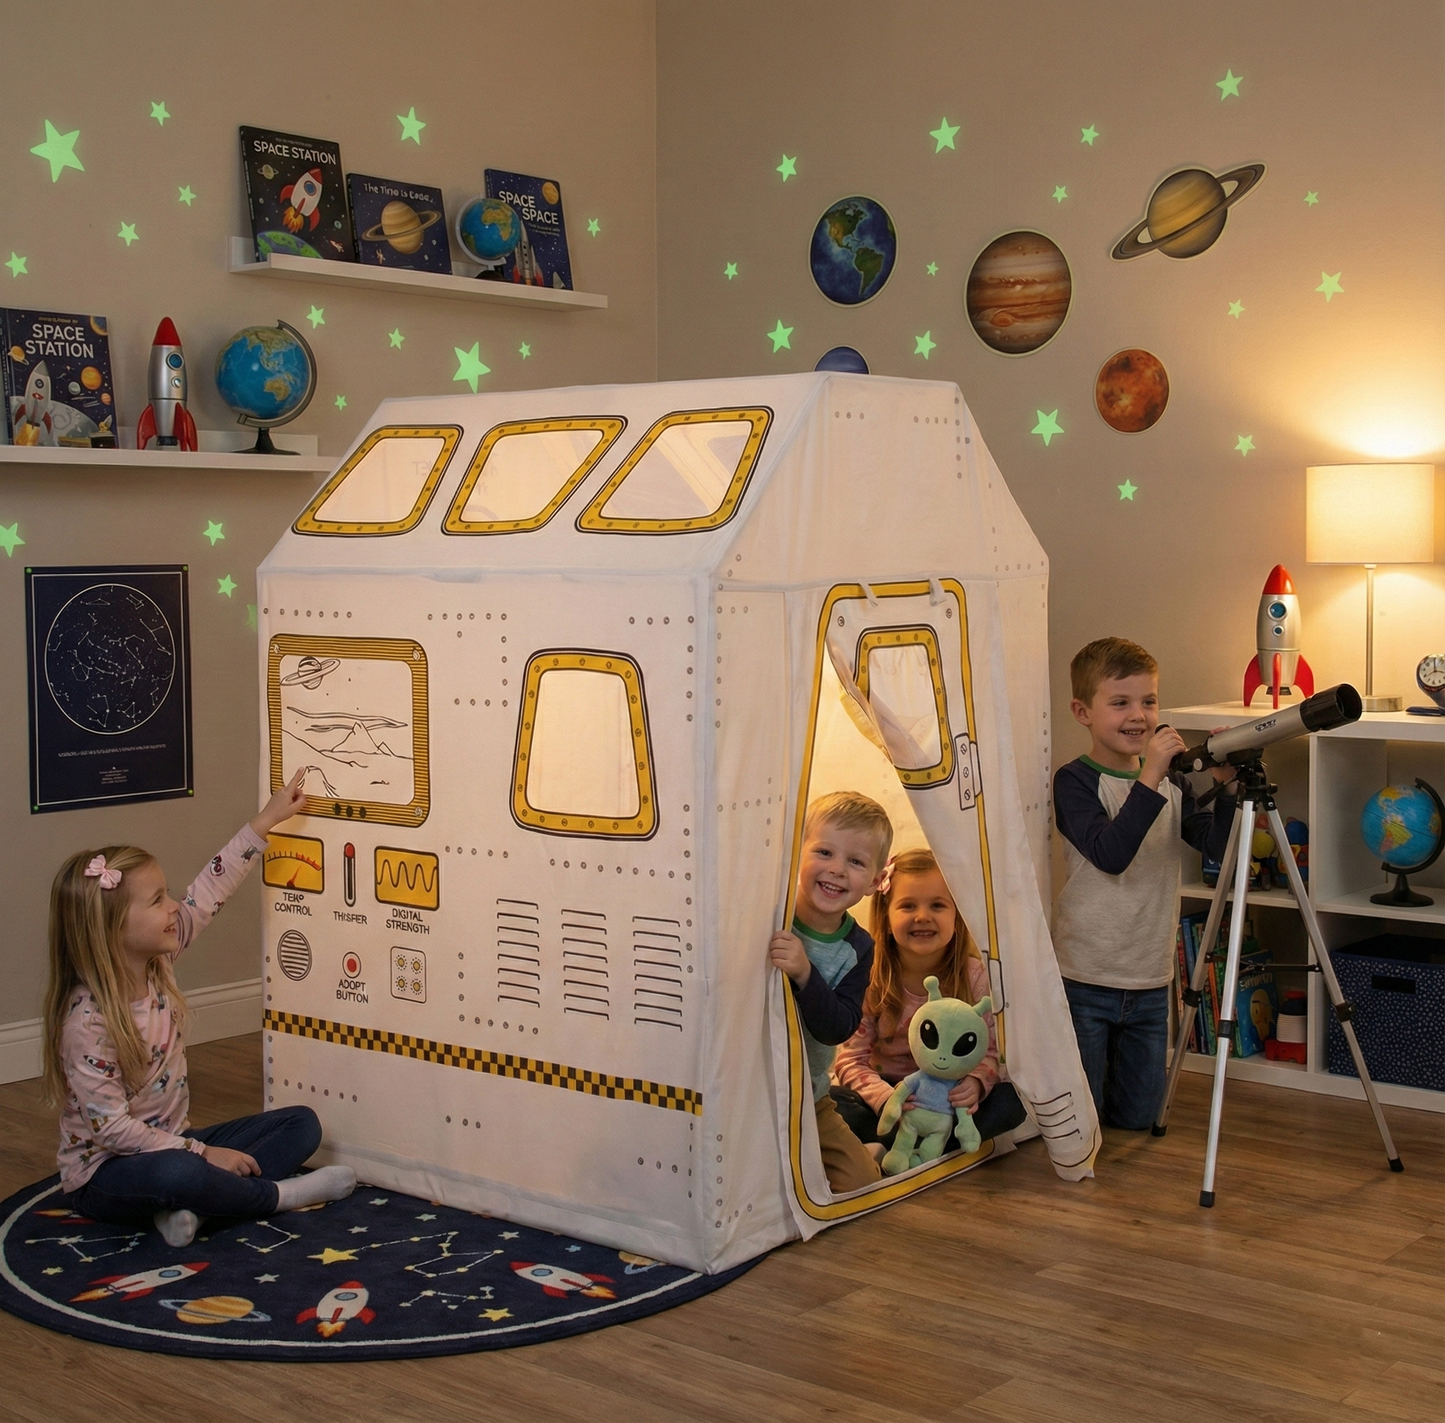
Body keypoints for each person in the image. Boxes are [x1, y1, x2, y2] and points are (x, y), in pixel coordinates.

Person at [42, 769, 356, 1247]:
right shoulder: (88, 1022)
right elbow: (114, 1132)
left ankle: (195, 1212)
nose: (174, 906)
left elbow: (209, 891)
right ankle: (278, 1196)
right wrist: (201, 1154)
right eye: (157, 901)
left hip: (175, 1143)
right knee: (179, 1174)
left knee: (301, 1125)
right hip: (106, 1173)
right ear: (112, 930)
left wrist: (265, 821)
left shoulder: (159, 963)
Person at [1053, 637, 1236, 1129]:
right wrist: (1151, 773)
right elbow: (1111, 855)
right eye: (1120, 703)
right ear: (1082, 711)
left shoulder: (1171, 783)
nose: (1138, 715)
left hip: (1150, 977)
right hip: (1087, 975)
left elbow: (1217, 847)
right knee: (1083, 1119)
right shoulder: (1074, 782)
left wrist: (1226, 789)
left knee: (1137, 1118)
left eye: (1149, 701)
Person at [832, 848, 1027, 1153]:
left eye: (937, 905)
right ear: (886, 917)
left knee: (1013, 1100)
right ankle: (921, 1144)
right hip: (891, 1097)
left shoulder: (974, 976)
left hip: (949, 1101)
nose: (923, 916)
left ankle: (927, 1144)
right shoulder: (871, 976)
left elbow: (991, 1052)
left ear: (957, 915)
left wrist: (976, 1084)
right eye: (908, 906)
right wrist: (886, 1100)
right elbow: (850, 1059)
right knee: (834, 1101)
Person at [768, 791, 892, 1193]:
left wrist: (806, 974)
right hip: (748, 1092)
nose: (837, 870)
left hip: (810, 1097)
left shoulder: (858, 947)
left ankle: (863, 1153)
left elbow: (838, 1027)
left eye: (855, 862)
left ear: (875, 881)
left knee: (861, 1183)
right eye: (824, 852)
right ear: (796, 855)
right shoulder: (768, 913)